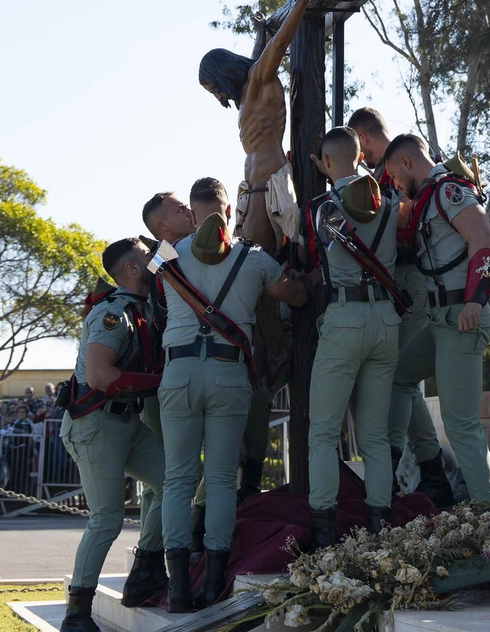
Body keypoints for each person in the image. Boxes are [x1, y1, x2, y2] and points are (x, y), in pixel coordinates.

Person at [157, 178, 306, 612]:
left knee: (177, 480)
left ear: (192, 210)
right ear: (228, 211)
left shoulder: (165, 255)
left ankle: (179, 585)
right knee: (222, 480)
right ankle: (214, 581)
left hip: (179, 371)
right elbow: (292, 295)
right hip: (228, 372)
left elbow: (149, 287)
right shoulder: (254, 258)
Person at [381, 134, 490, 506]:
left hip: (461, 318)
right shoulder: (427, 197)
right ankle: (391, 461)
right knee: (400, 374)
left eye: (395, 178)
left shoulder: (448, 190)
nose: (397, 187)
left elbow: (483, 238)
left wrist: (474, 303)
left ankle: (489, 511)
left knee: (460, 421)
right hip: (440, 318)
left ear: (405, 162)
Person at [58, 238, 168, 632]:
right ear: (133, 269)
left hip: (124, 422)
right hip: (94, 423)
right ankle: (77, 612)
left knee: (172, 481)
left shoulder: (146, 306)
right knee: (107, 518)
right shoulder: (113, 313)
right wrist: (162, 381)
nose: (156, 258)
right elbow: (100, 376)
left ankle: (145, 570)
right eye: (147, 255)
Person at [302, 128, 402, 548]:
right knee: (375, 436)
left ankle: (324, 536)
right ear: (362, 156)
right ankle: (380, 531)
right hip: (386, 319)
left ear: (325, 163)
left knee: (323, 433)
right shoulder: (391, 201)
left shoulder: (320, 207)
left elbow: (312, 256)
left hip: (344, 317)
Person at [348, 107, 450, 505]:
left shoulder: (403, 172)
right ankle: (432, 472)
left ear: (364, 138)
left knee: (398, 378)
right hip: (402, 285)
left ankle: (393, 472)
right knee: (403, 383)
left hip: (411, 283)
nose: (360, 157)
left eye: (358, 147)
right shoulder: (391, 172)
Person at [197, 0, 318, 251]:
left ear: (222, 74)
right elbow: (261, 52)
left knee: (254, 257)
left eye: (214, 88)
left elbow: (278, 45)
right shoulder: (247, 90)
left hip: (268, 184)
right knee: (249, 254)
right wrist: (260, 33)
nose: (217, 96)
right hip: (252, 188)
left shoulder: (259, 79)